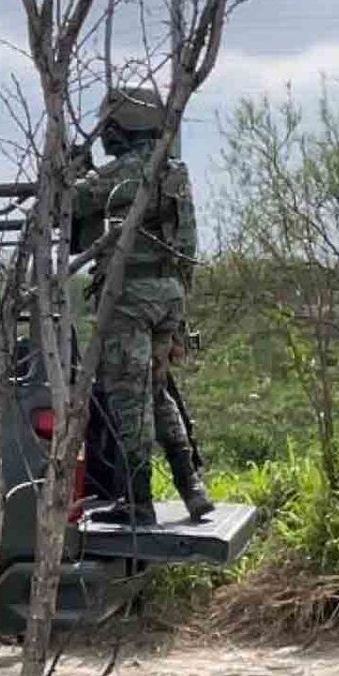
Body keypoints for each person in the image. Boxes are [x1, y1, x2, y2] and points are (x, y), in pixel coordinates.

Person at [73, 86, 215, 525]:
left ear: (119, 129)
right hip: (169, 296)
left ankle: (137, 503)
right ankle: (192, 487)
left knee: (129, 401)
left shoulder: (129, 172)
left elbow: (75, 201)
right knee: (157, 394)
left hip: (131, 300)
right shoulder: (175, 172)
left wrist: (75, 170)